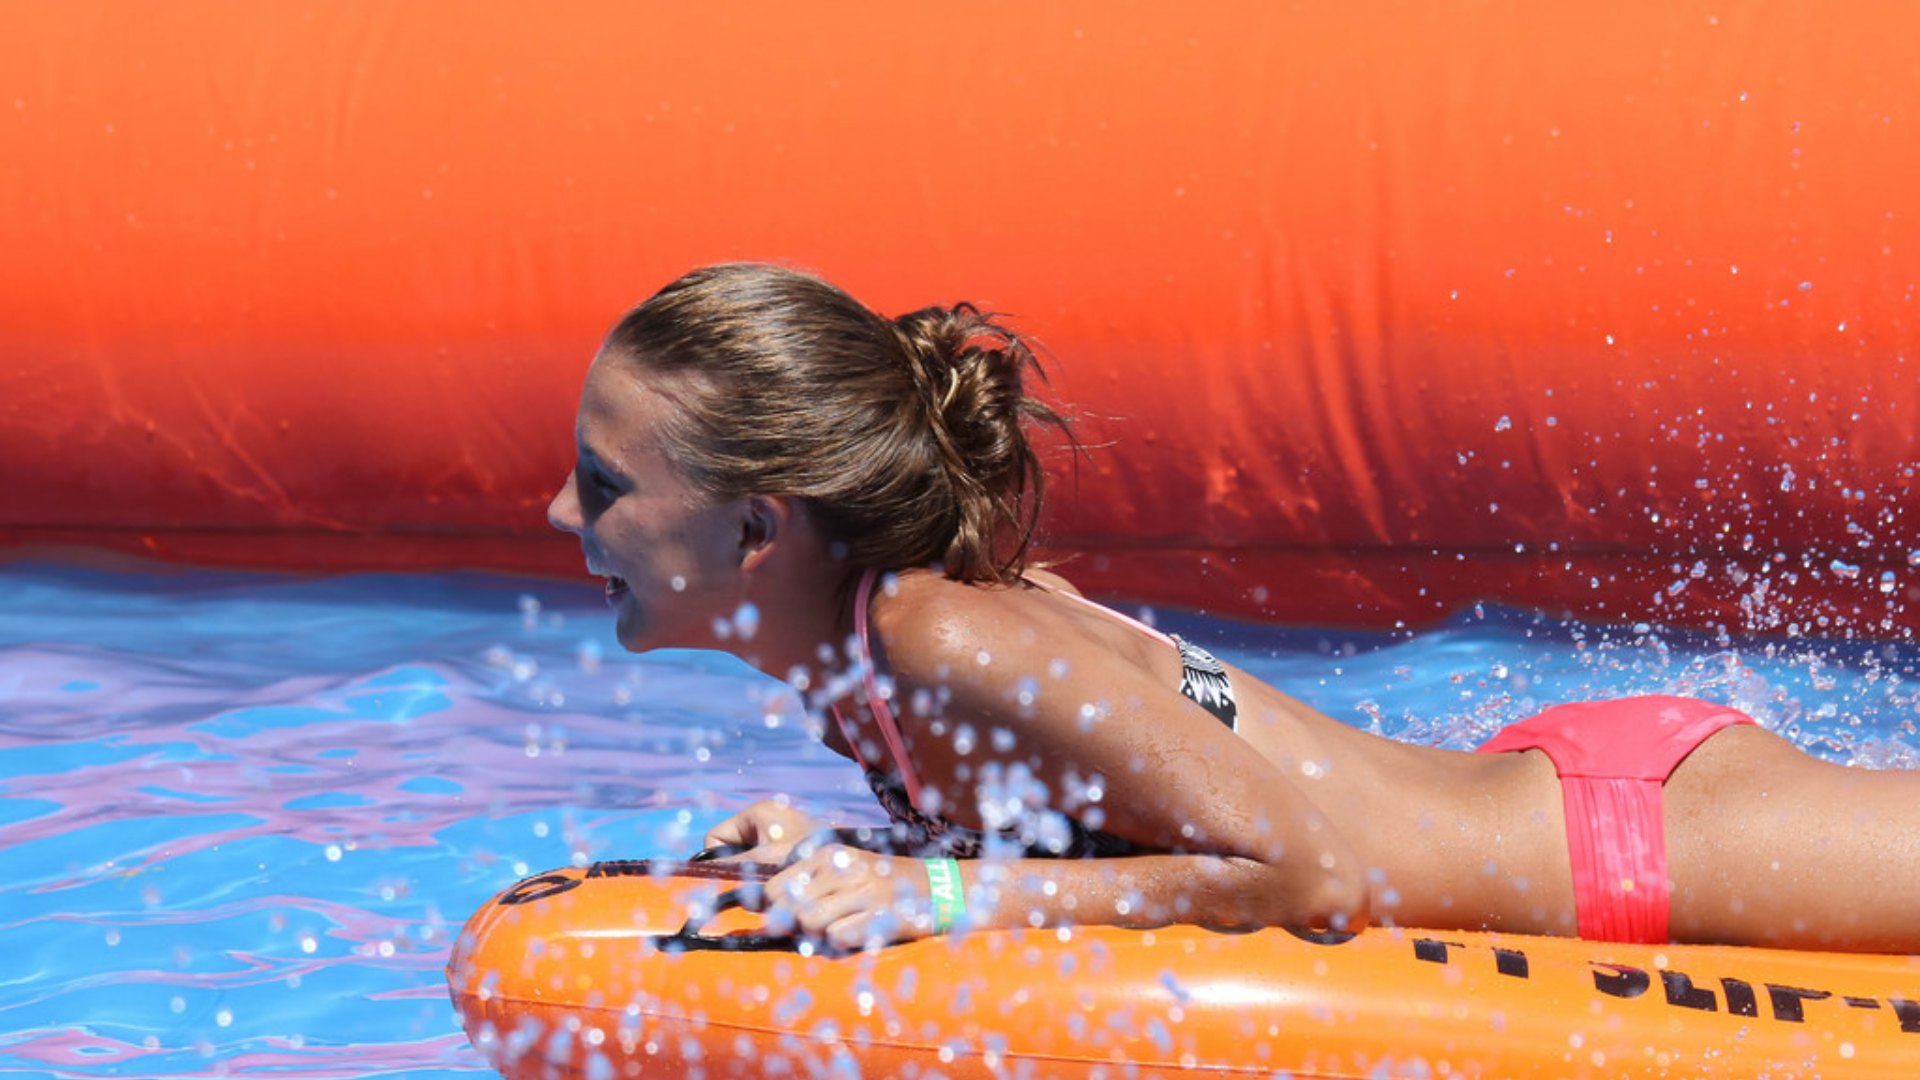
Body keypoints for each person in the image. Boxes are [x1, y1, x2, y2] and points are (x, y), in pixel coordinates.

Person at [547, 262, 1920, 955]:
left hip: (1639, 848)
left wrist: (934, 890)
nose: (561, 516)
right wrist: (851, 852)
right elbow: (1108, 816)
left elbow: (1305, 875)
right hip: (1534, 798)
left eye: (604, 484)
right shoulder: (883, 655)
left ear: (758, 530)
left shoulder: (935, 638)